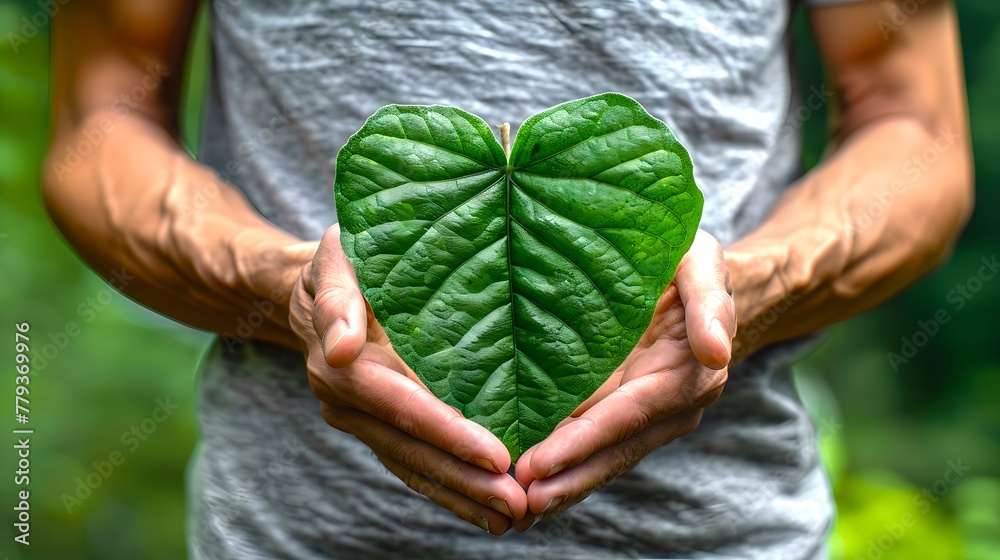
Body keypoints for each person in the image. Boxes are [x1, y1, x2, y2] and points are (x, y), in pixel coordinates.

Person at [45, 0, 972, 558]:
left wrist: (747, 292)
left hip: (724, 532)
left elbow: (917, 129)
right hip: (299, 535)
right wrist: (283, 286)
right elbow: (98, 122)